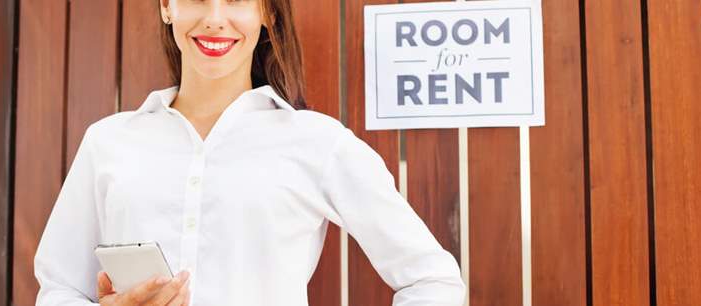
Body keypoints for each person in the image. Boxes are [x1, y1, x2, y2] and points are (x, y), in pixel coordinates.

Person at [33, 0, 466, 305]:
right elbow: (59, 288)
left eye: (238, 0)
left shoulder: (317, 143)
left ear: (268, 13)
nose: (215, 18)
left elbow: (432, 280)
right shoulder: (108, 142)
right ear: (168, 6)